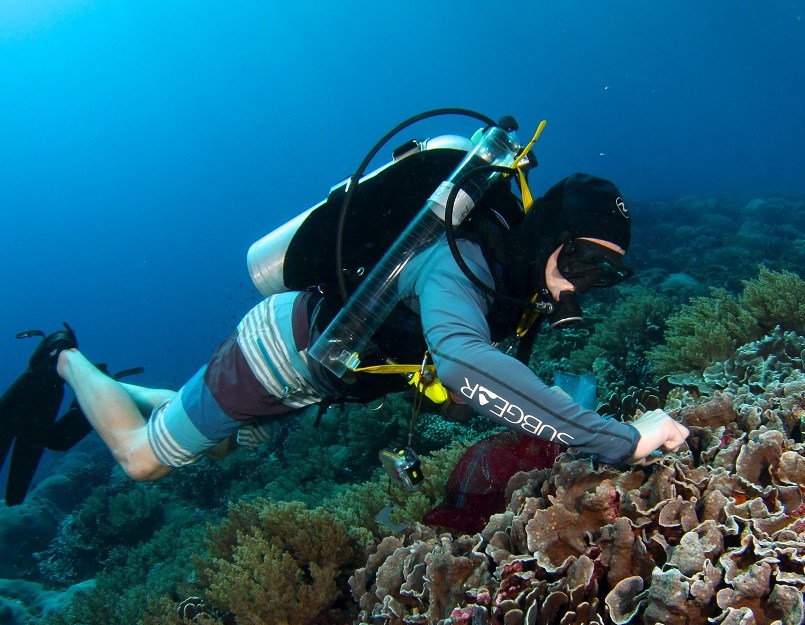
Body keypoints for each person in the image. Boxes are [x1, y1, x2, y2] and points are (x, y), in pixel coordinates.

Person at [4, 172, 688, 501]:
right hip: (271, 360)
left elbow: (455, 384)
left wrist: (551, 410)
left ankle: (133, 390)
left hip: (314, 379)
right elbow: (467, 369)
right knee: (142, 461)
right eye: (578, 261)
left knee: (211, 448)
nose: (580, 286)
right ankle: (65, 358)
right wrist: (616, 439)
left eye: (604, 276)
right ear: (547, 238)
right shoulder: (458, 262)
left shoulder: (512, 288)